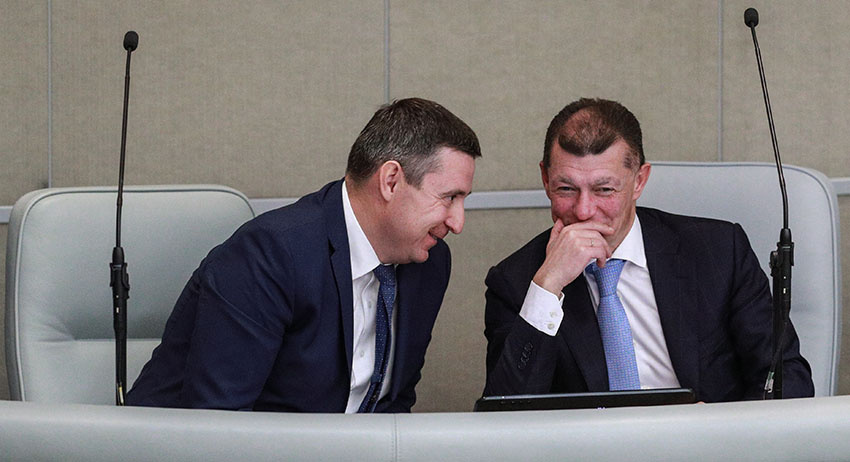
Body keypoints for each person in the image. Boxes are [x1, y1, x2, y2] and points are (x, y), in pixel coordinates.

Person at [127, 97, 480, 412]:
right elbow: (220, 424)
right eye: (449, 197)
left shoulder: (429, 263)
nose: (458, 222)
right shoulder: (269, 255)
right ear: (390, 181)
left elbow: (393, 404)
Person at [483, 97, 813, 402]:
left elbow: (786, 377)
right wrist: (548, 287)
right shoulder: (516, 282)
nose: (583, 211)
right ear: (545, 179)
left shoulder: (719, 252)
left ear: (639, 180)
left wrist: (721, 429)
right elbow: (506, 414)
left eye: (604, 189)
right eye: (566, 188)